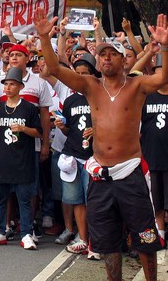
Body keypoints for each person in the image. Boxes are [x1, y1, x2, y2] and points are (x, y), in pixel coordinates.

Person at [35, 8, 168, 281]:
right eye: (103, 54)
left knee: (145, 237)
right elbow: (54, 68)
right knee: (107, 240)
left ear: (123, 60)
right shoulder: (90, 85)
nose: (107, 58)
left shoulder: (136, 86)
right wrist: (43, 38)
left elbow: (164, 78)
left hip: (131, 174)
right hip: (99, 176)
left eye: (113, 54)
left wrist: (165, 47)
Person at [0, 67, 42, 250]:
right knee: (0, 198)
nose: (7, 87)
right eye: (6, 84)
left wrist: (24, 129)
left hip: (22, 161)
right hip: (2, 160)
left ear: (20, 86)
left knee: (23, 199)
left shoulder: (29, 108)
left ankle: (26, 233)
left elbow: (39, 132)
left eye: (12, 84)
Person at [55, 53, 101, 259]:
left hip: (94, 158)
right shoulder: (70, 100)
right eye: (78, 73)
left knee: (95, 202)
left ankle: (97, 242)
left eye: (86, 74)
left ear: (94, 75)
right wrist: (63, 127)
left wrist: (98, 130)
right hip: (72, 156)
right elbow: (68, 131)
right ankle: (83, 238)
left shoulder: (100, 96)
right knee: (77, 201)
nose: (81, 77)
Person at [140, 52, 168, 255]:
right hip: (151, 158)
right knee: (156, 202)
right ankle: (159, 235)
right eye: (157, 72)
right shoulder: (147, 97)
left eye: (165, 72)